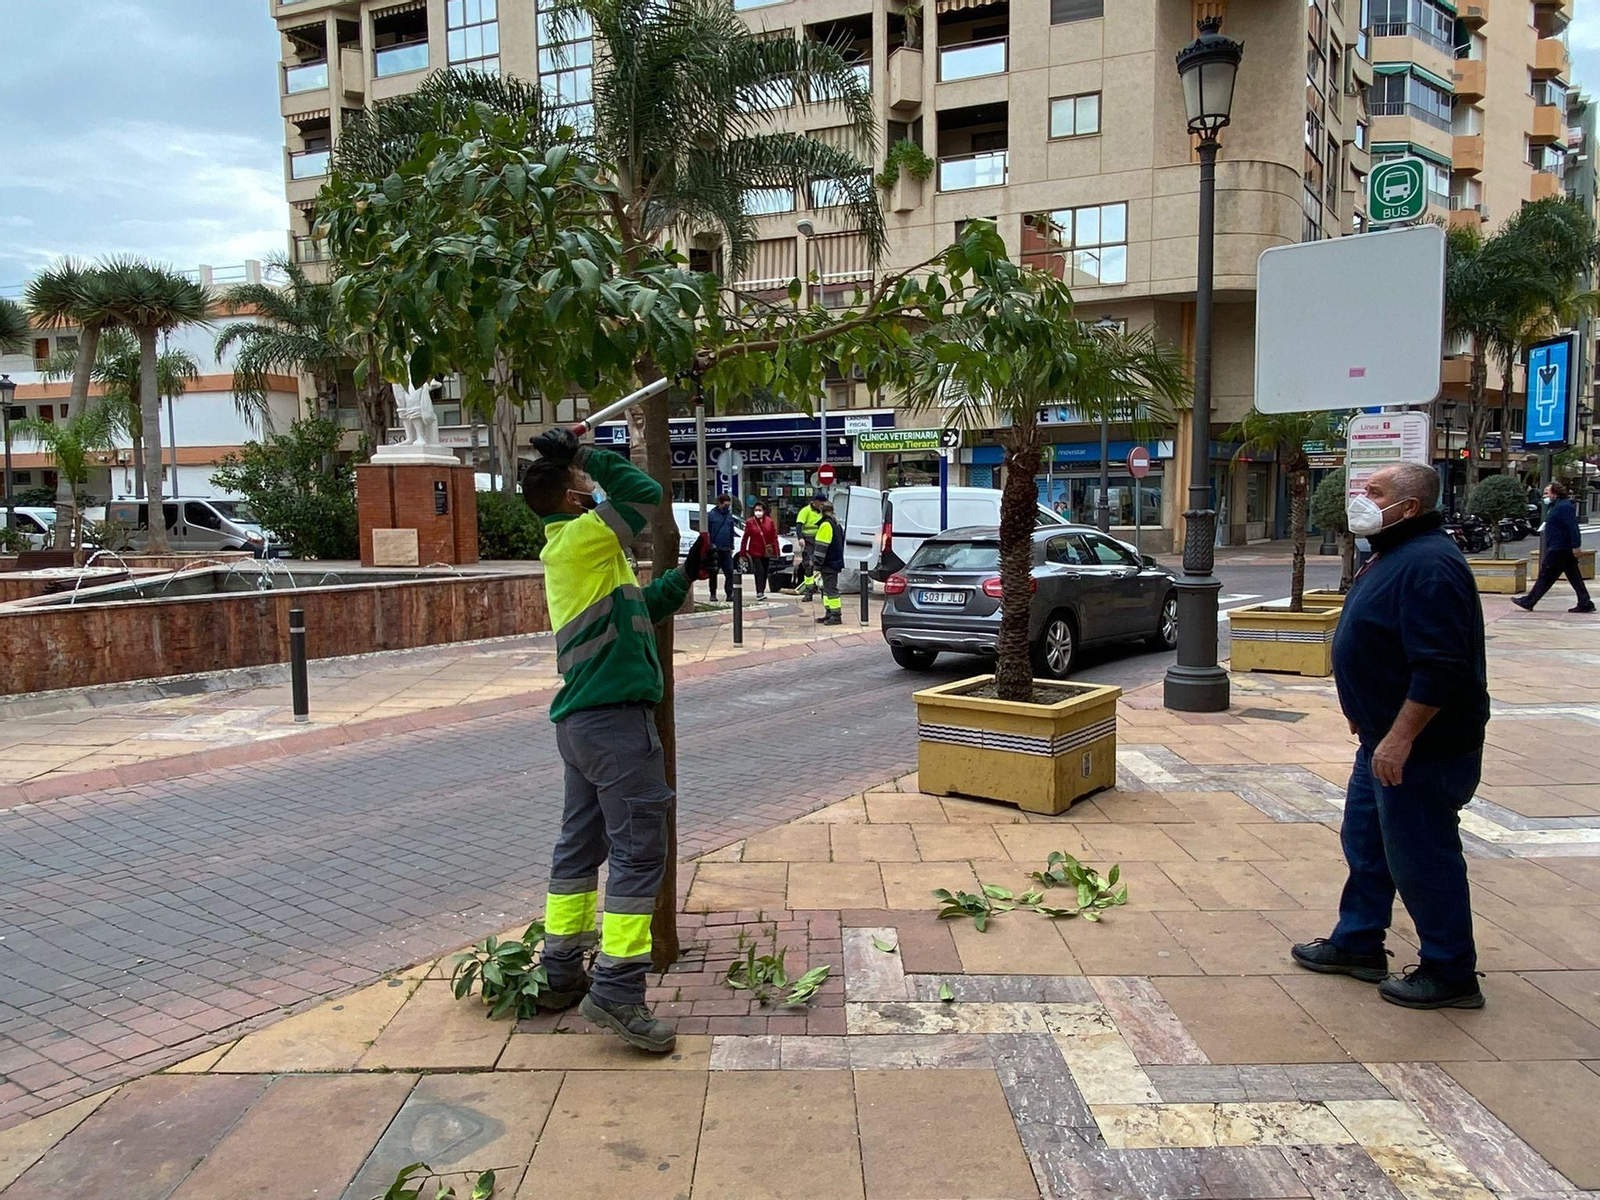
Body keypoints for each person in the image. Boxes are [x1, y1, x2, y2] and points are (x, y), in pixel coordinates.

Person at [520, 428, 710, 1054]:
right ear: (573, 502)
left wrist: (684, 577)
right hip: (615, 726)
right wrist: (580, 453)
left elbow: (638, 610)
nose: (593, 490)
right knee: (637, 853)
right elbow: (645, 491)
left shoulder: (583, 552)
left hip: (583, 728)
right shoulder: (582, 538)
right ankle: (619, 992)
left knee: (578, 849)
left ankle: (560, 972)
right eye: (584, 486)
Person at [1292, 462, 1489, 1010]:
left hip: (1421, 749)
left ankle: (1450, 971)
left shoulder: (1430, 565)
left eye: (1374, 492)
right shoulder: (1395, 553)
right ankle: (1358, 942)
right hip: (1380, 739)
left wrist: (1401, 737)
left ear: (1408, 508)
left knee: (1422, 857)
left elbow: (1440, 665)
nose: (1361, 498)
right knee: (1367, 843)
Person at [1514, 480, 1593, 614]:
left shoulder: (1564, 507)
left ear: (1555, 494)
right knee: (1574, 576)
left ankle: (1529, 601)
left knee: (1546, 575)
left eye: (1546, 493)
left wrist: (1576, 545)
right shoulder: (1557, 506)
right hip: (1561, 548)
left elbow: (1573, 527)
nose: (1544, 496)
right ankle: (1585, 602)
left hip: (1560, 548)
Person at [811, 498, 844, 626]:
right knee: (826, 589)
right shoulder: (836, 524)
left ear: (821, 512)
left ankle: (835, 616)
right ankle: (829, 613)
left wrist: (816, 562)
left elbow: (821, 546)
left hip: (828, 563)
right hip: (834, 561)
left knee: (831, 590)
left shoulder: (826, 525)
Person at [741, 500, 780, 600]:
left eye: (760, 510)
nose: (758, 512)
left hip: (766, 551)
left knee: (765, 571)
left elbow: (774, 536)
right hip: (755, 551)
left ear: (764, 511)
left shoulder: (769, 521)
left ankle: (761, 591)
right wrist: (743, 553)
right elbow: (745, 538)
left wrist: (776, 550)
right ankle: (759, 592)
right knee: (759, 571)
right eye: (756, 510)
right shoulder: (750, 522)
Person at [793, 491, 826, 600]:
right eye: (821, 502)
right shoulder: (805, 511)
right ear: (815, 502)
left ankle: (823, 589)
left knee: (822, 566)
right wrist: (800, 538)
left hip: (821, 541)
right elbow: (799, 526)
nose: (822, 504)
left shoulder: (823, 511)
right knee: (809, 565)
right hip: (808, 541)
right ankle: (809, 591)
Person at [706, 493, 737, 602]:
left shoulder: (729, 516)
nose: (726, 507)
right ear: (719, 503)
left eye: (728, 505)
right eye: (725, 505)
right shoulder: (711, 516)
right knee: (713, 572)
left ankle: (729, 593)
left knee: (729, 572)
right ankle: (713, 594)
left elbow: (731, 532)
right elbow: (707, 532)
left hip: (726, 549)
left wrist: (731, 545)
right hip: (715, 549)